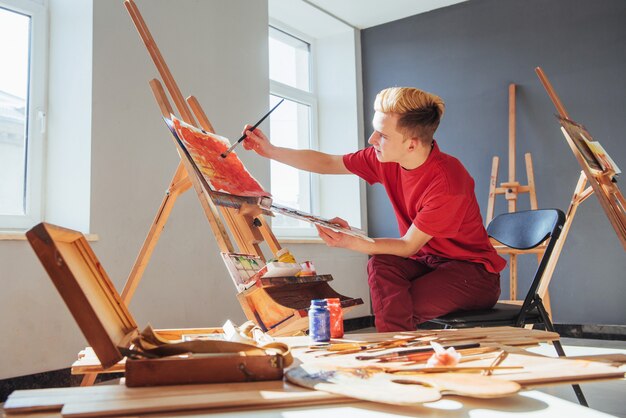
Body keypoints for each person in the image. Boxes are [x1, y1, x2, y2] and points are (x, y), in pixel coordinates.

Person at [242, 87, 506, 332]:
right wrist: (271, 151)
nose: (372, 140)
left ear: (411, 144)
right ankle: (394, 351)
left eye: (382, 135)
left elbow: (407, 246)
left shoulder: (448, 182)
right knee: (381, 264)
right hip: (427, 263)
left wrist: (352, 241)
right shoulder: (385, 158)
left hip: (473, 275)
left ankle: (395, 356)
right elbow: (329, 162)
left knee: (399, 307)